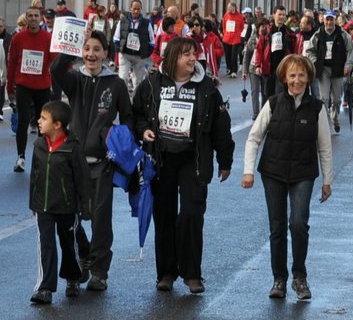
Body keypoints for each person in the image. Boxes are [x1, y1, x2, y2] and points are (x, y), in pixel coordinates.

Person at [132, 36, 233, 294]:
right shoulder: (153, 83)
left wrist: (225, 160)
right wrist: (143, 131)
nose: (192, 59)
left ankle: (192, 274)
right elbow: (136, 114)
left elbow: (221, 126)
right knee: (163, 215)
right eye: (186, 54)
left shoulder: (207, 87)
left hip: (193, 159)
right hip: (162, 159)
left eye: (194, 54)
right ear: (173, 57)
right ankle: (166, 272)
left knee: (191, 213)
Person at [242, 54, 333, 301]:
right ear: (284, 78)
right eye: (292, 75)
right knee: (277, 227)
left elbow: (324, 146)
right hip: (273, 172)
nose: (297, 80)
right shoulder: (272, 103)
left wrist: (327, 180)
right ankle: (279, 279)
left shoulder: (317, 108)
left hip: (303, 173)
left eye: (301, 75)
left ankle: (299, 277)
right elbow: (254, 138)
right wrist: (248, 171)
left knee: (299, 223)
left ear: (308, 78)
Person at [52, 32, 132, 291]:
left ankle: (99, 272)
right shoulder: (75, 79)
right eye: (87, 49)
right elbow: (55, 68)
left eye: (96, 49)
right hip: (73, 163)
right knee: (70, 218)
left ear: (106, 53)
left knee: (100, 220)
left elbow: (128, 120)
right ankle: (78, 265)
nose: (91, 54)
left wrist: (120, 146)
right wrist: (71, 46)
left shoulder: (116, 84)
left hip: (102, 163)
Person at [27, 100, 87, 305]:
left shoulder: (72, 148)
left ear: (57, 124)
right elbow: (34, 176)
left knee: (68, 245)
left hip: (67, 206)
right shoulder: (39, 145)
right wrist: (32, 203)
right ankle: (45, 287)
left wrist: (84, 206)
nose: (39, 121)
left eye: (44, 118)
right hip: (43, 205)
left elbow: (82, 178)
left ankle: (73, 278)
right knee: (46, 244)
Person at [5, 10, 54, 172]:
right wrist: (9, 85)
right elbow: (11, 62)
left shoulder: (48, 38)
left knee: (44, 124)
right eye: (30, 16)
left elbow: (55, 62)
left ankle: (42, 157)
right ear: (26, 18)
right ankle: (21, 157)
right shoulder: (18, 38)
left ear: (40, 19)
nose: (33, 19)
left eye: (36, 16)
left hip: (43, 86)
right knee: (23, 120)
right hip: (23, 86)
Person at [306, 11, 353, 133]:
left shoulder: (342, 34)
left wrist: (348, 65)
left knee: (337, 99)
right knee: (324, 98)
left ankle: (335, 117)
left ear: (335, 20)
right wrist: (315, 61)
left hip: (338, 68)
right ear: (324, 20)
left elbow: (350, 50)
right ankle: (325, 123)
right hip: (323, 69)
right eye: (327, 20)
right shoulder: (318, 34)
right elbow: (309, 50)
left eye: (331, 20)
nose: (329, 22)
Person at [115, 0, 154, 93]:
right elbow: (116, 38)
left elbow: (152, 41)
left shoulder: (147, 23)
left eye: (138, 9)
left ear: (141, 9)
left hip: (139, 56)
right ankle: (123, 102)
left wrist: (146, 54)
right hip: (125, 55)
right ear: (130, 9)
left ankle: (136, 102)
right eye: (134, 9)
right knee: (122, 78)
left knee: (138, 81)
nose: (136, 11)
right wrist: (120, 50)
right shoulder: (122, 21)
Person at [221, 5, 247, 75]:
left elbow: (242, 27)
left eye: (229, 7)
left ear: (234, 8)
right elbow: (223, 25)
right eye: (228, 7)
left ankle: (234, 71)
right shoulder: (226, 15)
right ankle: (229, 68)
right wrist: (225, 32)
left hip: (235, 39)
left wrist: (237, 33)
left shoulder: (239, 16)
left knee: (234, 56)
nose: (228, 8)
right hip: (226, 38)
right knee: (227, 55)